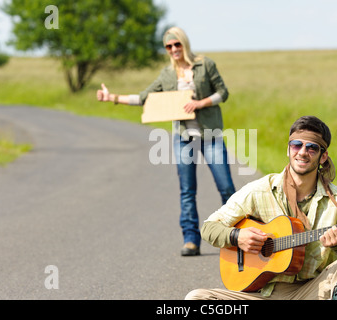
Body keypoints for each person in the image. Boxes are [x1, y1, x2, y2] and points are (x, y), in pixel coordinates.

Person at [185, 116, 337, 300]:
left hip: (313, 291)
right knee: (196, 298)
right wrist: (238, 237)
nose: (302, 152)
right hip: (261, 294)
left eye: (312, 148)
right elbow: (209, 227)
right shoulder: (260, 190)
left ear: (323, 157)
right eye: (297, 145)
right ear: (288, 149)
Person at [96, 27, 236, 256]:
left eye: (177, 44)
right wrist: (112, 98)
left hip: (210, 137)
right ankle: (191, 240)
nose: (173, 49)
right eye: (169, 46)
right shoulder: (167, 75)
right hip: (183, 139)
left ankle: (235, 235)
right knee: (187, 191)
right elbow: (144, 98)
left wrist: (200, 103)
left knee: (226, 187)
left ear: (184, 44)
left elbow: (223, 93)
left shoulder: (205, 65)